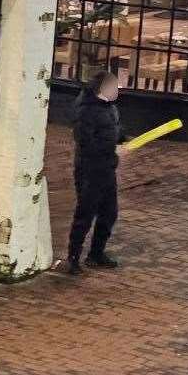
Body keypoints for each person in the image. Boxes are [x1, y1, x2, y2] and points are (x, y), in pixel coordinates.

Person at [67, 71, 127, 275]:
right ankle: (73, 258)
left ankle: (96, 254)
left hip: (107, 168)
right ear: (101, 89)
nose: (117, 90)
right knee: (85, 214)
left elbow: (116, 131)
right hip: (90, 170)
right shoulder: (86, 111)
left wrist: (121, 140)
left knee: (109, 213)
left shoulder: (110, 108)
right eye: (113, 87)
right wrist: (111, 148)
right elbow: (85, 143)